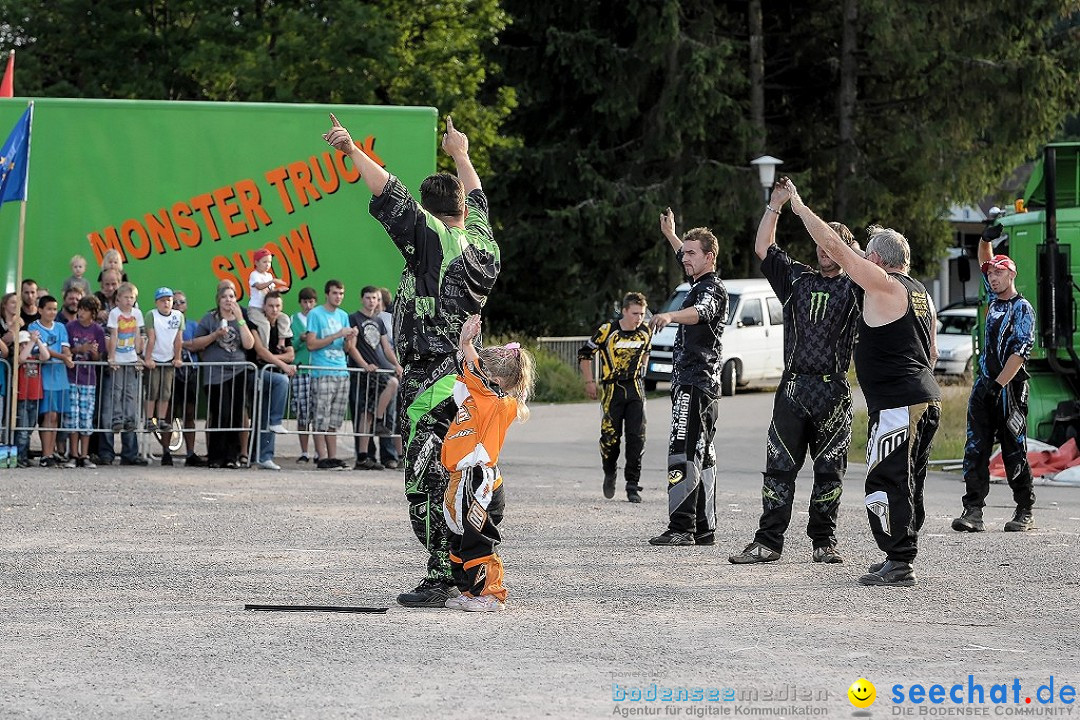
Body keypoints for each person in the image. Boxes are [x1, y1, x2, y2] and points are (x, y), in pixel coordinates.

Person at [323, 113, 500, 608]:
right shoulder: (486, 246)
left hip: (432, 381)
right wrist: (460, 154)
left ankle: (443, 576)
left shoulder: (434, 241)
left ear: (429, 210)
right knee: (459, 473)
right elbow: (478, 197)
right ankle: (466, 570)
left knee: (426, 481)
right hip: (466, 377)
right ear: (463, 207)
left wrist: (351, 149)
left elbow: (390, 191)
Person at [782, 177, 940, 587]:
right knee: (908, 479)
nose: (861, 260)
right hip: (923, 397)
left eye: (866, 256)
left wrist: (799, 207)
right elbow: (933, 352)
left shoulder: (883, 283)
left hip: (899, 402)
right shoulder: (921, 291)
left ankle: (901, 561)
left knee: (885, 479)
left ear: (876, 259)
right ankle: (899, 553)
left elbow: (835, 249)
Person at [728, 183, 861, 565]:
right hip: (793, 389)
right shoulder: (797, 279)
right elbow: (763, 250)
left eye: (831, 243)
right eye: (819, 243)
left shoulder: (857, 286)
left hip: (833, 391)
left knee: (829, 472)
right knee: (778, 468)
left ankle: (824, 542)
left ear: (843, 248)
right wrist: (774, 207)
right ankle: (768, 542)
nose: (823, 249)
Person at [441, 315, 534, 612]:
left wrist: (467, 343)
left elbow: (478, 373)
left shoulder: (495, 400)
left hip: (478, 480)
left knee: (477, 537)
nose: (470, 372)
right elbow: (468, 376)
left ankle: (491, 594)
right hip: (462, 477)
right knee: (459, 536)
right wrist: (466, 346)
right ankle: (470, 591)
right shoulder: (476, 395)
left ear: (493, 381)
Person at [648, 209, 729, 547]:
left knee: (682, 449)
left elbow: (701, 312)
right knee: (702, 453)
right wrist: (672, 236)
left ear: (709, 257)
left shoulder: (711, 288)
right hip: (695, 383)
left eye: (692, 253)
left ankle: (682, 527)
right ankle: (704, 527)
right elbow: (688, 255)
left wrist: (669, 315)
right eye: (684, 253)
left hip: (697, 382)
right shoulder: (699, 282)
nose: (684, 258)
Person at [952, 229, 1036, 533]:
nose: (992, 277)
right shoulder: (993, 301)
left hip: (1008, 390)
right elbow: (983, 258)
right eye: (990, 274)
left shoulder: (1022, 308)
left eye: (999, 273)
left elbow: (1019, 353)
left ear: (1011, 274)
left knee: (1014, 448)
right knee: (975, 449)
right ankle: (972, 511)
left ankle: (1024, 508)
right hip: (983, 387)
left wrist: (998, 385)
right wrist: (985, 239)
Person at [577, 292, 652, 503]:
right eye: (635, 313)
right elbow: (584, 354)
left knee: (637, 438)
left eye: (642, 314)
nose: (639, 318)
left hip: (636, 389)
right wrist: (589, 382)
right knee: (610, 439)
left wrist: (643, 370)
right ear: (625, 311)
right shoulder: (607, 330)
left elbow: (646, 353)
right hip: (612, 390)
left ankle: (632, 485)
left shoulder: (646, 332)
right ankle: (610, 474)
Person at [189, 283, 256, 468]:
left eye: (232, 297)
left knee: (235, 414)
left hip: (238, 371)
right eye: (225, 297)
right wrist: (215, 335)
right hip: (216, 374)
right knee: (221, 413)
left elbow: (249, 344)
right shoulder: (210, 319)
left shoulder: (241, 318)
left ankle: (231, 457)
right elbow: (196, 343)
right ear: (219, 300)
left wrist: (241, 319)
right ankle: (215, 456)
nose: (229, 300)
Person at [304, 279, 367, 471]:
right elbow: (311, 344)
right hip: (322, 370)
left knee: (335, 418)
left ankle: (332, 456)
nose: (338, 297)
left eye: (341, 293)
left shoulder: (342, 315)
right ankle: (321, 456)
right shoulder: (316, 314)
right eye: (335, 293)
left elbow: (348, 348)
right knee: (320, 416)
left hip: (341, 369)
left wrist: (350, 338)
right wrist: (337, 335)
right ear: (327, 294)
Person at [348, 285, 402, 471]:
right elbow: (351, 347)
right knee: (365, 414)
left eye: (376, 298)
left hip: (378, 373)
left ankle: (379, 423)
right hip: (363, 373)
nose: (372, 301)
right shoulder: (354, 318)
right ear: (362, 299)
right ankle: (363, 456)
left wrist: (396, 364)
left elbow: (386, 348)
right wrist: (364, 365)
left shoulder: (379, 322)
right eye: (369, 298)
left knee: (371, 411)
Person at [252, 291, 296, 471]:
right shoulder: (255, 323)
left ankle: (265, 456)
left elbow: (291, 354)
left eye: (278, 306)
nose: (274, 309)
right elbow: (260, 352)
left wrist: (275, 359)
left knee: (265, 415)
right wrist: (282, 364)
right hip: (257, 372)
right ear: (264, 306)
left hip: (271, 372)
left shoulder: (283, 325)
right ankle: (276, 421)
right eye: (271, 305)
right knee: (282, 381)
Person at [29, 295, 74, 467]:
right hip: (45, 375)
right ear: (40, 310)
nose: (52, 312)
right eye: (48, 309)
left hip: (60, 376)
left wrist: (67, 355)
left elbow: (65, 346)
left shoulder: (61, 327)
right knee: (47, 415)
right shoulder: (34, 327)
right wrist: (63, 357)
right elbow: (43, 349)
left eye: (55, 309)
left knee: (55, 415)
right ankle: (45, 453)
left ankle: (51, 451)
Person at [105, 282, 148, 466]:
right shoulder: (115, 314)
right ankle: (117, 418)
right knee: (117, 390)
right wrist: (112, 357)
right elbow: (114, 335)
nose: (129, 301)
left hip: (131, 357)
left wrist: (139, 355)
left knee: (130, 392)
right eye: (125, 297)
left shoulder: (137, 314)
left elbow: (138, 334)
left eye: (132, 297)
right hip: (119, 358)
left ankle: (129, 419)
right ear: (118, 299)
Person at [143, 287, 185, 466]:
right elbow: (151, 337)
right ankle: (149, 419)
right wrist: (148, 357)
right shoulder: (151, 315)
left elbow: (178, 339)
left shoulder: (178, 316)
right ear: (156, 302)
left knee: (165, 391)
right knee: (152, 390)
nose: (166, 303)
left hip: (168, 358)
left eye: (169, 300)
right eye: (162, 300)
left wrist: (177, 357)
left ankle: (161, 419)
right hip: (155, 357)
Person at [65, 295, 105, 468]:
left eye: (85, 310)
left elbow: (99, 358)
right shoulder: (70, 327)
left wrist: (94, 352)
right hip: (72, 377)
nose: (81, 312)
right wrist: (79, 349)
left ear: (93, 313)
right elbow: (66, 350)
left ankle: (84, 454)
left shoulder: (98, 330)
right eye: (80, 309)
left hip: (89, 379)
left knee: (86, 417)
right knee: (72, 416)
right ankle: (73, 454)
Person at [172, 291, 206, 466]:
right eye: (175, 302)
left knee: (189, 413)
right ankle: (165, 453)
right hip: (171, 372)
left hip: (190, 372)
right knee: (169, 415)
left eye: (181, 302)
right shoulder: (165, 323)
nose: (178, 305)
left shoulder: (192, 325)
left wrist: (181, 344)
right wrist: (187, 345)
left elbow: (197, 345)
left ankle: (190, 452)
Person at [291, 287, 318, 463]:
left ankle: (318, 452)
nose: (308, 305)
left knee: (318, 414)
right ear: (300, 303)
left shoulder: (319, 318)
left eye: (311, 302)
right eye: (305, 302)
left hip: (318, 370)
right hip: (300, 370)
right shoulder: (293, 320)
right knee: (303, 414)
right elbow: (289, 347)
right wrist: (299, 339)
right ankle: (304, 451)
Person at [14, 329, 48, 467]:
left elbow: (46, 356)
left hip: (35, 396)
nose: (24, 347)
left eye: (26, 344)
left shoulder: (35, 357)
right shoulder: (20, 358)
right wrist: (31, 342)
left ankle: (24, 455)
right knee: (22, 430)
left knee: (29, 428)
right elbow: (21, 358)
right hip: (23, 397)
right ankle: (20, 456)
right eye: (21, 344)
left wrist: (37, 341)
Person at [247, 248, 290, 346]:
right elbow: (259, 286)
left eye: (269, 262)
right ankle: (264, 350)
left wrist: (278, 290)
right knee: (265, 325)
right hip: (255, 309)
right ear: (256, 262)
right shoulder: (254, 275)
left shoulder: (269, 276)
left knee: (284, 318)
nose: (267, 264)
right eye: (264, 262)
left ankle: (281, 344)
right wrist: (272, 281)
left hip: (267, 309)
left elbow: (269, 293)